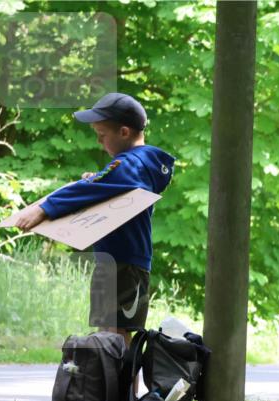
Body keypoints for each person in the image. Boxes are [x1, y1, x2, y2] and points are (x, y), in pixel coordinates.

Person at [14, 93, 175, 345]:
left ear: (124, 132)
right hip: (114, 261)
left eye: (102, 135)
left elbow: (94, 187)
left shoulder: (134, 164)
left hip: (125, 265)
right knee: (108, 335)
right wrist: (99, 179)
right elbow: (107, 185)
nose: (99, 141)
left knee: (117, 337)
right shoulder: (132, 166)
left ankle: (118, 386)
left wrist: (44, 208)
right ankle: (109, 385)